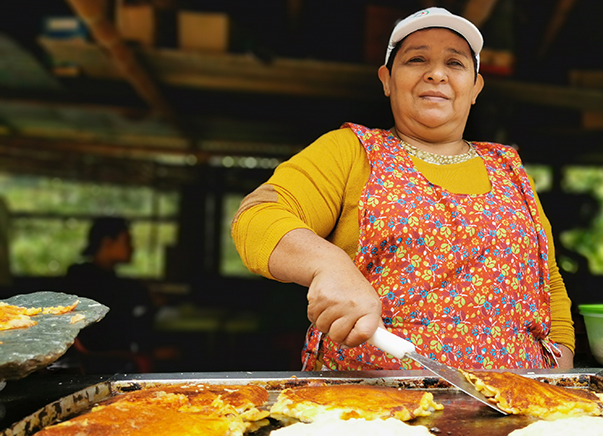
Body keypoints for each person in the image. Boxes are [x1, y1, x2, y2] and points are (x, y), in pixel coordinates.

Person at [232, 7, 575, 371]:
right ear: (387, 80)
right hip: (372, 407)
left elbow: (547, 279)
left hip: (514, 405)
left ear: (475, 88)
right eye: (417, 59)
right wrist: (329, 265)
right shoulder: (350, 151)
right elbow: (256, 218)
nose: (436, 74)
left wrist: (562, 363)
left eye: (455, 63)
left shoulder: (510, 169)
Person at [64, 217, 155, 370]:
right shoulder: (85, 280)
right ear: (107, 243)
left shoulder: (113, 280)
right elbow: (103, 335)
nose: (132, 248)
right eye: (127, 241)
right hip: (103, 359)